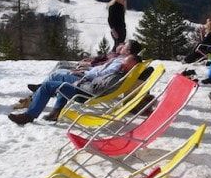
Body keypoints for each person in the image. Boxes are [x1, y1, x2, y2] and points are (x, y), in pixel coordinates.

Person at [8, 53, 141, 125]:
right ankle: (55, 112)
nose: (121, 65)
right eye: (123, 62)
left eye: (125, 64)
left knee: (48, 86)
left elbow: (96, 90)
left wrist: (80, 82)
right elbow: (97, 84)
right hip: (86, 87)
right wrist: (84, 79)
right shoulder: (120, 73)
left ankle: (29, 116)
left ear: (132, 68)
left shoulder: (116, 77)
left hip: (84, 93)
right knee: (60, 82)